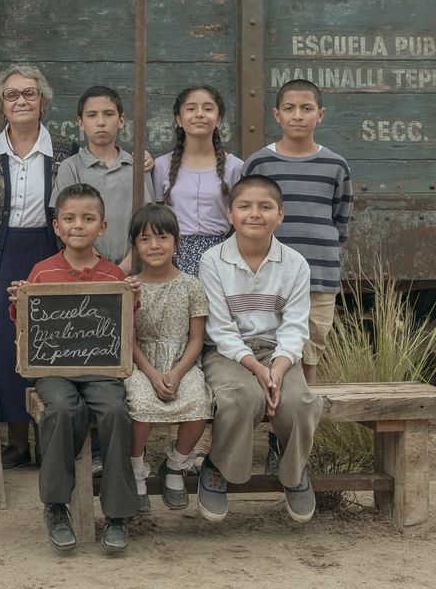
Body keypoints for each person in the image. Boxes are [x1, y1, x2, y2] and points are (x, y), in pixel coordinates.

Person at [8, 183, 139, 553]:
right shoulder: (41, 273)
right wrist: (18, 302)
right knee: (63, 409)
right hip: (54, 371)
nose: (78, 225)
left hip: (101, 371)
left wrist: (133, 302)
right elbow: (27, 326)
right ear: (56, 226)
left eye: (88, 218)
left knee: (115, 411)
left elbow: (124, 329)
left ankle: (116, 512)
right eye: (69, 218)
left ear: (103, 227)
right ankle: (55, 506)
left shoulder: (114, 276)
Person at [0, 65, 75, 468]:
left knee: (52, 346)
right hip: (3, 257)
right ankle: (19, 443)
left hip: (51, 254)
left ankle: (51, 443)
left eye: (29, 93)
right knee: (10, 349)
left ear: (43, 101)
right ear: (1, 106)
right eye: (11, 95)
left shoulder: (66, 152)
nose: (21, 100)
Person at [197, 175, 321, 524]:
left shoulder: (295, 263)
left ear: (280, 215)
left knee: (299, 401)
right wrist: (256, 369)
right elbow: (220, 328)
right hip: (228, 353)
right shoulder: (213, 260)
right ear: (230, 215)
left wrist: (278, 369)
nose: (255, 214)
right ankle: (218, 466)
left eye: (265, 207)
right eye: (245, 206)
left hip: (277, 351)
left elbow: (296, 326)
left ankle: (293, 471)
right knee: (240, 397)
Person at [241, 78, 351, 387]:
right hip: (270, 277)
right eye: (289, 108)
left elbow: (340, 220)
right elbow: (244, 218)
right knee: (272, 349)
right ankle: (276, 422)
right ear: (277, 115)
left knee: (310, 352)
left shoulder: (336, 165)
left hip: (318, 275)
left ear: (321, 114)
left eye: (307, 108)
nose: (298, 115)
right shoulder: (260, 163)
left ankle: (300, 429)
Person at [123, 204, 211, 514]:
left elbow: (197, 339)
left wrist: (175, 373)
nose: (154, 246)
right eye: (144, 239)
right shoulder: (130, 287)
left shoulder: (192, 286)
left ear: (176, 241)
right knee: (140, 408)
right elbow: (128, 339)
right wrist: (150, 372)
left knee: (198, 404)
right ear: (134, 245)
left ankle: (175, 464)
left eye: (162, 237)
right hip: (140, 363)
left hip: (181, 362)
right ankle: (136, 469)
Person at [52, 85, 153, 271]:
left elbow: (148, 222)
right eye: (91, 115)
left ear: (121, 121)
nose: (100, 122)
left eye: (108, 114)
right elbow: (66, 222)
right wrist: (102, 270)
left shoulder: (137, 166)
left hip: (135, 269)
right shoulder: (71, 167)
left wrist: (125, 268)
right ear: (80, 124)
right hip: (86, 270)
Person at [153, 85, 243, 276]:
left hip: (222, 256)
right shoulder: (161, 166)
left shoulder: (235, 167)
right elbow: (155, 216)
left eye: (208, 109)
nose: (199, 114)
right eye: (191, 108)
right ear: (179, 119)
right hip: (172, 256)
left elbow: (240, 220)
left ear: (218, 119)